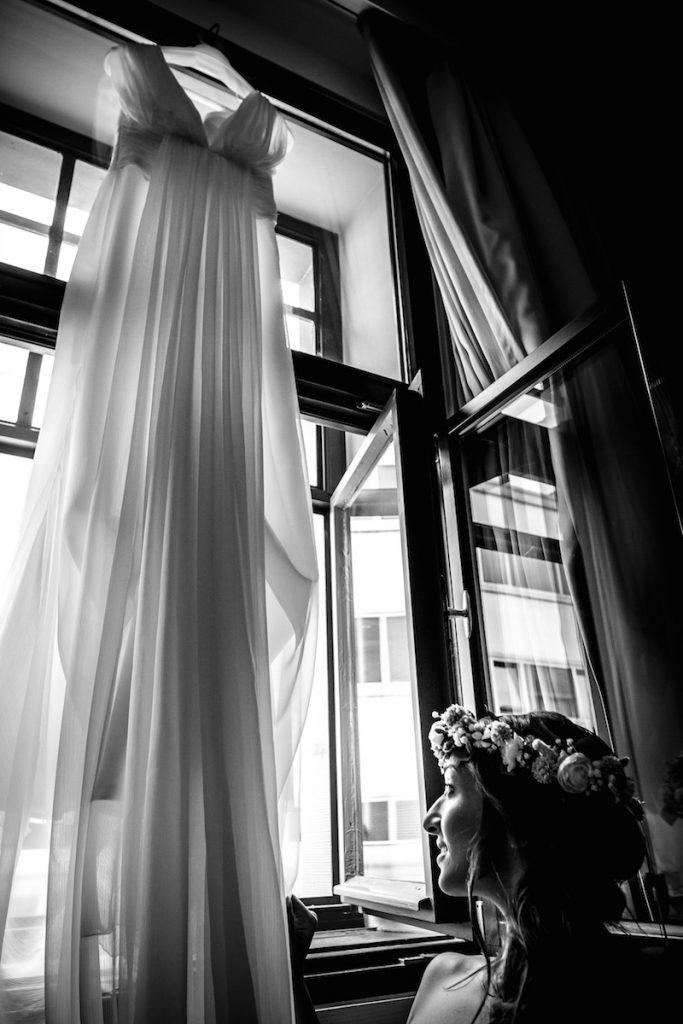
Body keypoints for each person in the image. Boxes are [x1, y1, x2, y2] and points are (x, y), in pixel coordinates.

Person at [289, 704, 676, 1023]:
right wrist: (292, 977)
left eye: (449, 789)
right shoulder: (441, 975)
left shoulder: (644, 993)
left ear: (519, 820)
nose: (428, 819)